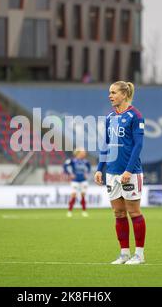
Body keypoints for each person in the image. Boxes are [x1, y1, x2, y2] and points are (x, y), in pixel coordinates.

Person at [94, 81, 146, 265]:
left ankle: (139, 254)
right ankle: (124, 254)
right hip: (112, 173)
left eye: (114, 92)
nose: (110, 96)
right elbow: (105, 144)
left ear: (124, 94)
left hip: (130, 172)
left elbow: (138, 145)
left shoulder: (135, 116)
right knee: (118, 213)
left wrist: (128, 170)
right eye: (109, 92)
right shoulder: (109, 117)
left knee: (134, 211)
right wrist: (100, 168)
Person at [63, 149, 91, 218]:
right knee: (74, 195)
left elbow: (89, 167)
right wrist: (70, 174)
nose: (84, 153)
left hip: (83, 180)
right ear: (78, 153)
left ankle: (84, 211)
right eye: (83, 152)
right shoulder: (72, 160)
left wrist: (87, 173)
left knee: (83, 195)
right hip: (75, 180)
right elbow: (65, 166)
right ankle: (69, 211)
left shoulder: (85, 161)